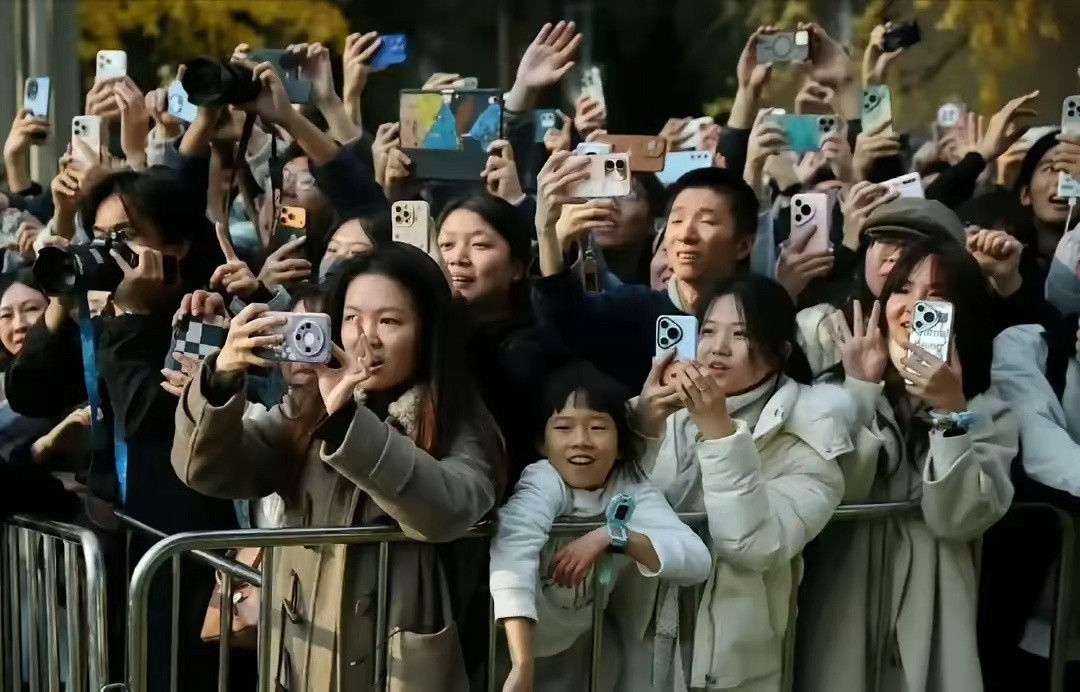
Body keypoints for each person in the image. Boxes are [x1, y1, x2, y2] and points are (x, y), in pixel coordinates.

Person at [172, 243, 505, 690]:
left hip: (393, 659)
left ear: (427, 332)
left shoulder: (456, 419)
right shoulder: (304, 409)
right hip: (304, 650)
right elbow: (208, 470)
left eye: (390, 321)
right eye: (351, 318)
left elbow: (450, 508)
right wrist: (220, 378)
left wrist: (347, 422)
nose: (366, 338)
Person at [794, 238, 1019, 692]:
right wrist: (860, 389)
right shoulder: (831, 390)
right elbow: (840, 492)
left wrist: (951, 413)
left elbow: (957, 519)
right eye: (903, 289)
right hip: (843, 601)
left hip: (934, 610)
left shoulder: (989, 412)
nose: (914, 307)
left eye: (936, 295)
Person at [617, 274, 847, 691]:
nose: (717, 347)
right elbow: (603, 501)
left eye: (741, 335)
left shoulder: (813, 430)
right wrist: (641, 429)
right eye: (707, 330)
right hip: (637, 633)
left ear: (781, 352)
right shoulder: (661, 409)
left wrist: (721, 434)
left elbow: (754, 545)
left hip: (730, 654)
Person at [490, 361, 710, 692]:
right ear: (541, 443)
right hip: (510, 647)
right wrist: (522, 664)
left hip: (583, 649)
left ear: (621, 443)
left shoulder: (630, 488)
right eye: (564, 428)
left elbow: (696, 560)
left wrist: (611, 535)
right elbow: (513, 550)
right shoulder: (543, 480)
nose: (581, 441)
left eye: (597, 428)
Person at [533, 161, 760, 390]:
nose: (686, 235)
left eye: (707, 222)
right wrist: (548, 233)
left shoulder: (761, 317)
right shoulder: (631, 308)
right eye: (677, 220)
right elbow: (564, 319)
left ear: (743, 245)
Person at [436, 192, 568, 481]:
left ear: (518, 267)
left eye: (480, 245)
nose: (457, 258)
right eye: (446, 245)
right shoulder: (426, 334)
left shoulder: (534, 349)